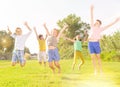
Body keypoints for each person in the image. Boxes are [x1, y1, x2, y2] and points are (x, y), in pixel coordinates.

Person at [88, 5, 120, 75]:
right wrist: (91, 10)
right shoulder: (92, 27)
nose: (95, 22)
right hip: (90, 43)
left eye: (97, 22)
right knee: (93, 58)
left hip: (96, 43)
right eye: (95, 22)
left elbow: (109, 25)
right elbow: (91, 17)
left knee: (98, 57)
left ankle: (101, 71)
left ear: (99, 24)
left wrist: (116, 21)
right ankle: (95, 71)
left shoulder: (101, 29)